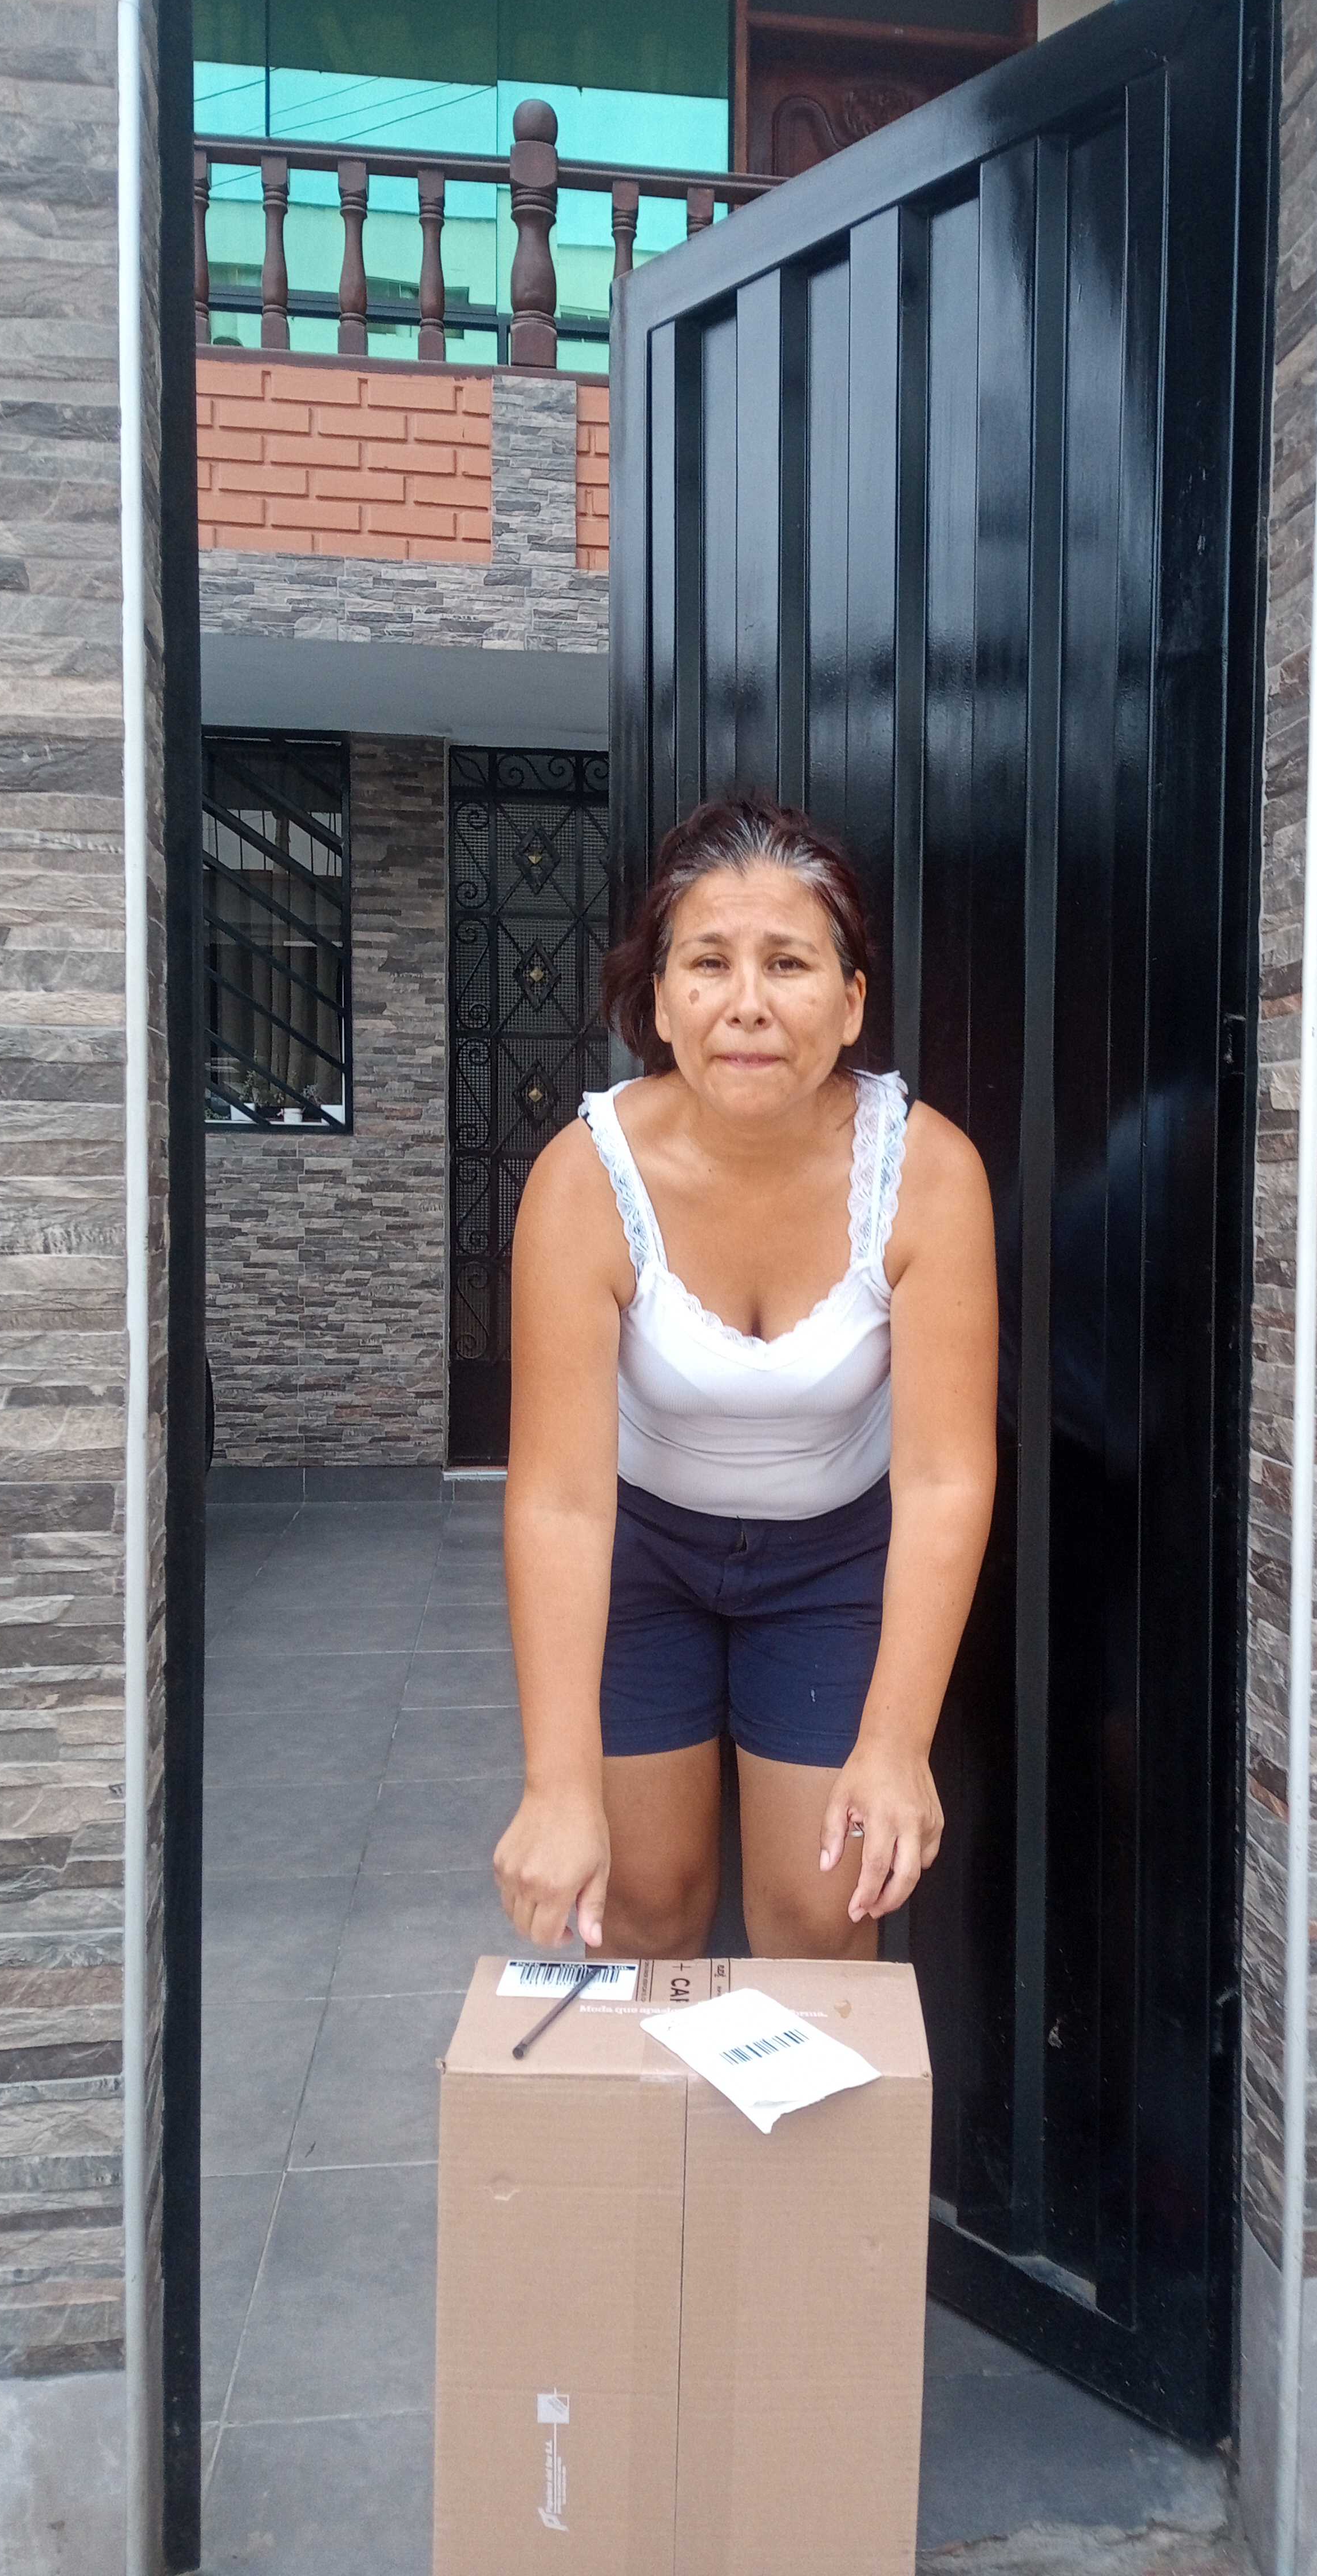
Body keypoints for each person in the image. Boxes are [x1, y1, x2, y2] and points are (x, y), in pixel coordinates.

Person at [492, 794, 998, 1960]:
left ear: (852, 1001)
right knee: (642, 1901)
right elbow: (560, 1500)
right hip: (642, 1554)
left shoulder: (928, 1175)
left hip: (834, 1559)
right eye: (710, 963)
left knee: (824, 1910)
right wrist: (555, 1786)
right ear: (661, 998)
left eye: (789, 963)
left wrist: (897, 1744)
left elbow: (942, 1477)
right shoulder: (583, 1180)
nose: (748, 1004)